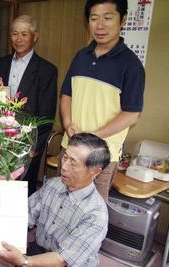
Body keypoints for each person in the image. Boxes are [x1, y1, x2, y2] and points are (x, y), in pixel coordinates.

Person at [59, 0, 145, 200]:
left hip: (101, 155)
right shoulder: (81, 56)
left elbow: (131, 114)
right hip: (70, 147)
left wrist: (94, 136)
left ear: (122, 20)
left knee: (91, 214)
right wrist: (68, 122)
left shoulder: (131, 66)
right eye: (94, 18)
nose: (100, 25)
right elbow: (66, 95)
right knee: (60, 202)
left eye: (107, 17)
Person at [0, 133, 110, 267]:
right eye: (65, 157)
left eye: (73, 163)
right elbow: (25, 214)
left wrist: (24, 261)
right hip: (39, 250)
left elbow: (63, 259)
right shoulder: (54, 184)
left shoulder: (96, 215)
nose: (64, 166)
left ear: (95, 171)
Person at [0, 15, 57, 196]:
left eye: (24, 34)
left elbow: (47, 114)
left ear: (34, 36)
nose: (18, 39)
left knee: (23, 188)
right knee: (0, 182)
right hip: (0, 138)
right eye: (14, 34)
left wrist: (35, 147)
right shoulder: (2, 63)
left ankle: (24, 222)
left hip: (28, 142)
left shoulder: (47, 70)